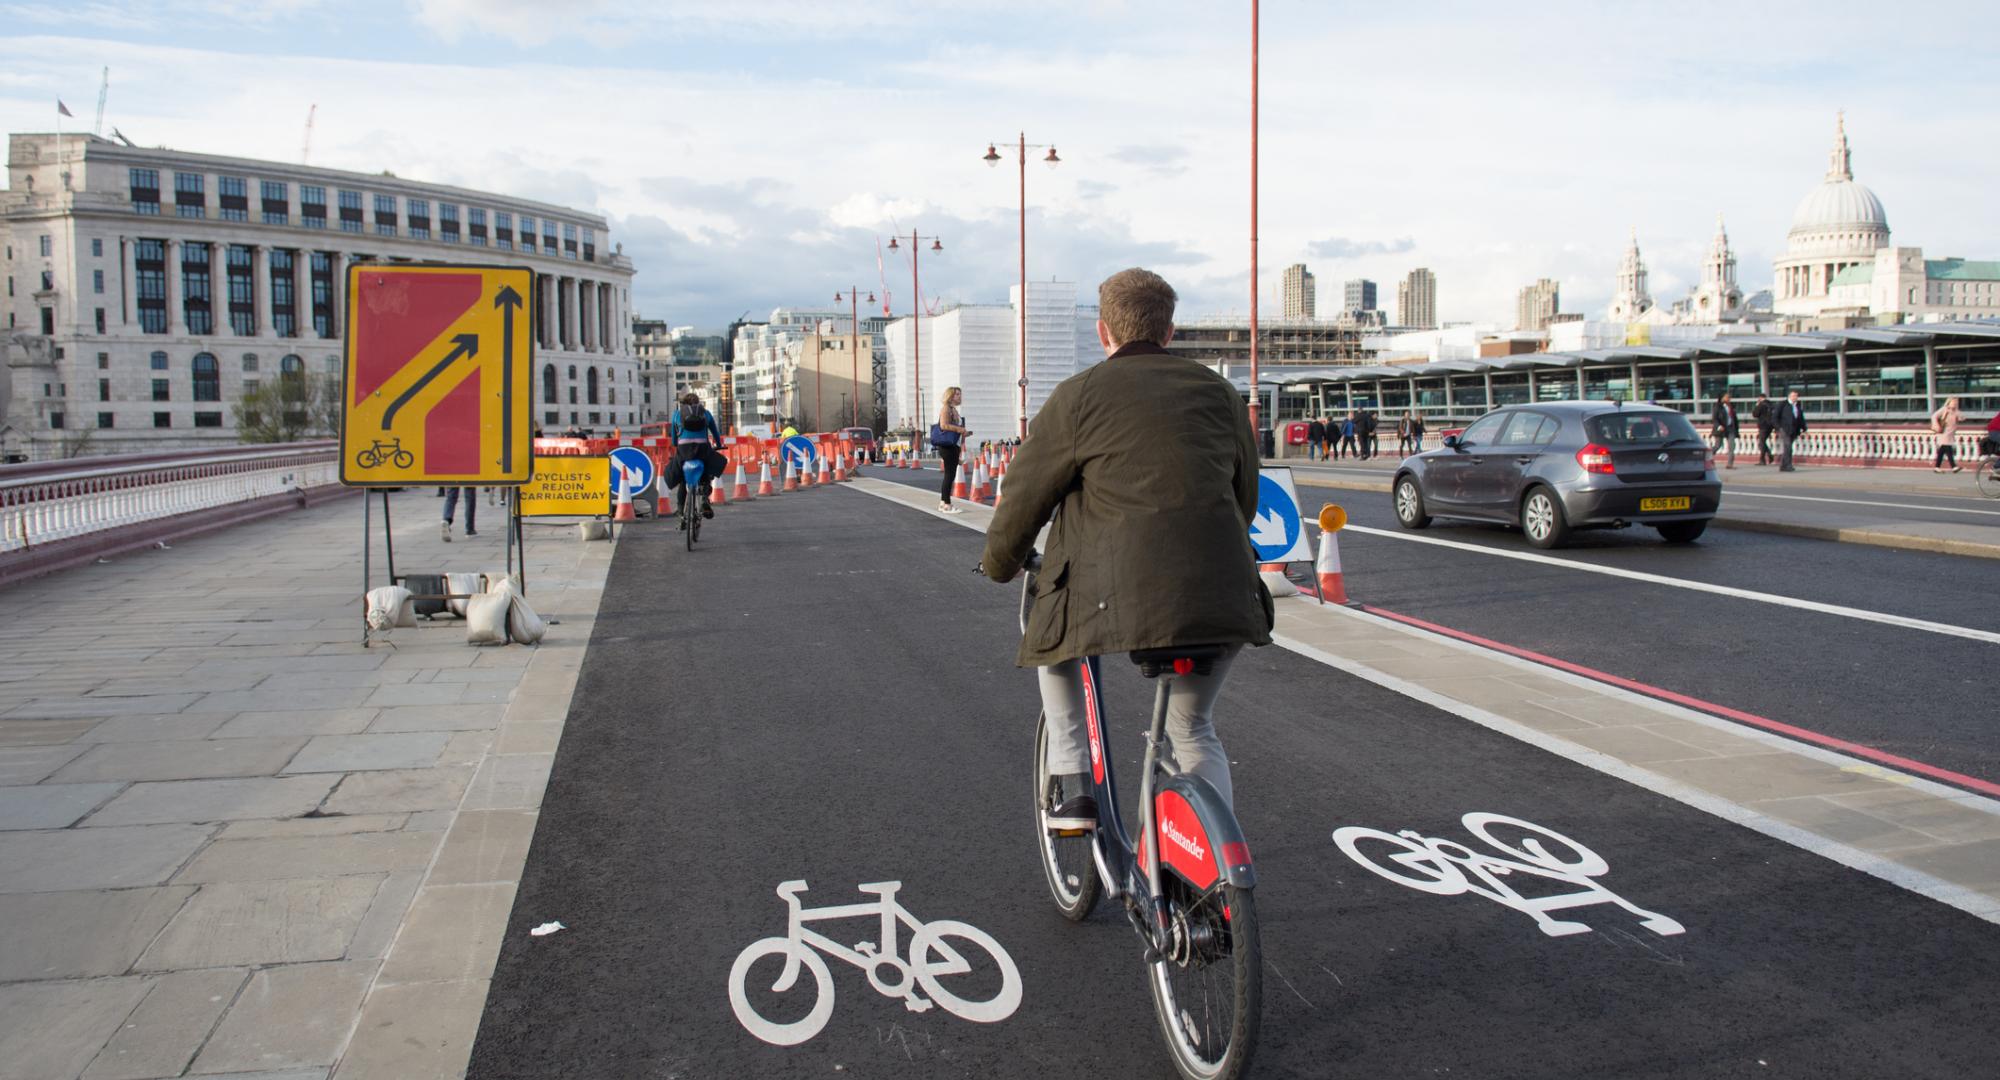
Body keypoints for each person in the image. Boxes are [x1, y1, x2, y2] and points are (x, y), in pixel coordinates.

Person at [981, 267, 1272, 826]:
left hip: (1109, 594)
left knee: (1053, 641)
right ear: (1168, 332)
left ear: (1102, 332)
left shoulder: (1077, 397)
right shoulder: (1221, 393)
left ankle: (1072, 782)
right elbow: (1246, 498)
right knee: (1192, 727)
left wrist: (1000, 563)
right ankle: (1211, 873)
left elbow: (1023, 498)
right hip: (1224, 591)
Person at [668, 391, 727, 521]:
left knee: (683, 478)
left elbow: (673, 440)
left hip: (684, 449)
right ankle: (705, 498)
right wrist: (718, 444)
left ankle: (680, 510)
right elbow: (715, 433)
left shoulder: (677, 414)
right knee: (707, 467)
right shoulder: (705, 413)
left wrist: (677, 443)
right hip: (702, 448)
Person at [935, 386, 970, 514]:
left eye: (960, 394)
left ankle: (943, 503)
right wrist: (959, 429)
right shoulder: (946, 409)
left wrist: (964, 433)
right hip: (947, 446)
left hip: (953, 446)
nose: (959, 397)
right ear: (950, 396)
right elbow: (943, 425)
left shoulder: (953, 409)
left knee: (950, 475)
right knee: (949, 476)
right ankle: (947, 506)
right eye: (957, 394)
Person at [1775, 390, 1808, 472]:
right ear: (1789, 396)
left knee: (1787, 448)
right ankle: (1788, 465)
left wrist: (1804, 428)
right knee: (1788, 447)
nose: (1795, 397)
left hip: (1794, 429)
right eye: (1793, 396)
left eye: (1796, 396)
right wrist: (1778, 427)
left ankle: (1783, 465)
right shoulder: (1783, 404)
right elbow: (1775, 417)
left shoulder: (1797, 406)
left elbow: (1800, 418)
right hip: (1784, 429)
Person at [1931, 397, 1963, 473]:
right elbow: (1934, 416)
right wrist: (1936, 426)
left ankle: (1937, 467)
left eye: (1956, 402)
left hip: (1950, 433)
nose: (1955, 403)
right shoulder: (1944, 409)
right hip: (1943, 432)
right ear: (1949, 402)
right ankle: (1954, 466)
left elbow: (1962, 418)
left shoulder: (1955, 411)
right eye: (1954, 402)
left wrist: (1956, 411)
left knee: (1942, 450)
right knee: (1948, 449)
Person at [1709, 392, 1739, 470]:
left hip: (1730, 428)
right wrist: (1719, 426)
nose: (1729, 399)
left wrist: (1736, 429)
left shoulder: (1731, 406)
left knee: (1732, 446)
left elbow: (1734, 418)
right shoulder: (1717, 407)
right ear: (1722, 398)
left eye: (1729, 397)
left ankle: (1730, 464)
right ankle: (1707, 456)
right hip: (1721, 428)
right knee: (1718, 445)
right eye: (1727, 397)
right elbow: (1714, 419)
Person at [1751, 393, 1774, 466]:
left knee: (1761, 442)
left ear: (1760, 398)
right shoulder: (1771, 405)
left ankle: (1763, 459)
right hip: (1770, 425)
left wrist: (1757, 406)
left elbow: (1755, 414)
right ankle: (1768, 455)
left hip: (1763, 425)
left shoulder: (1761, 405)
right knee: (1763, 441)